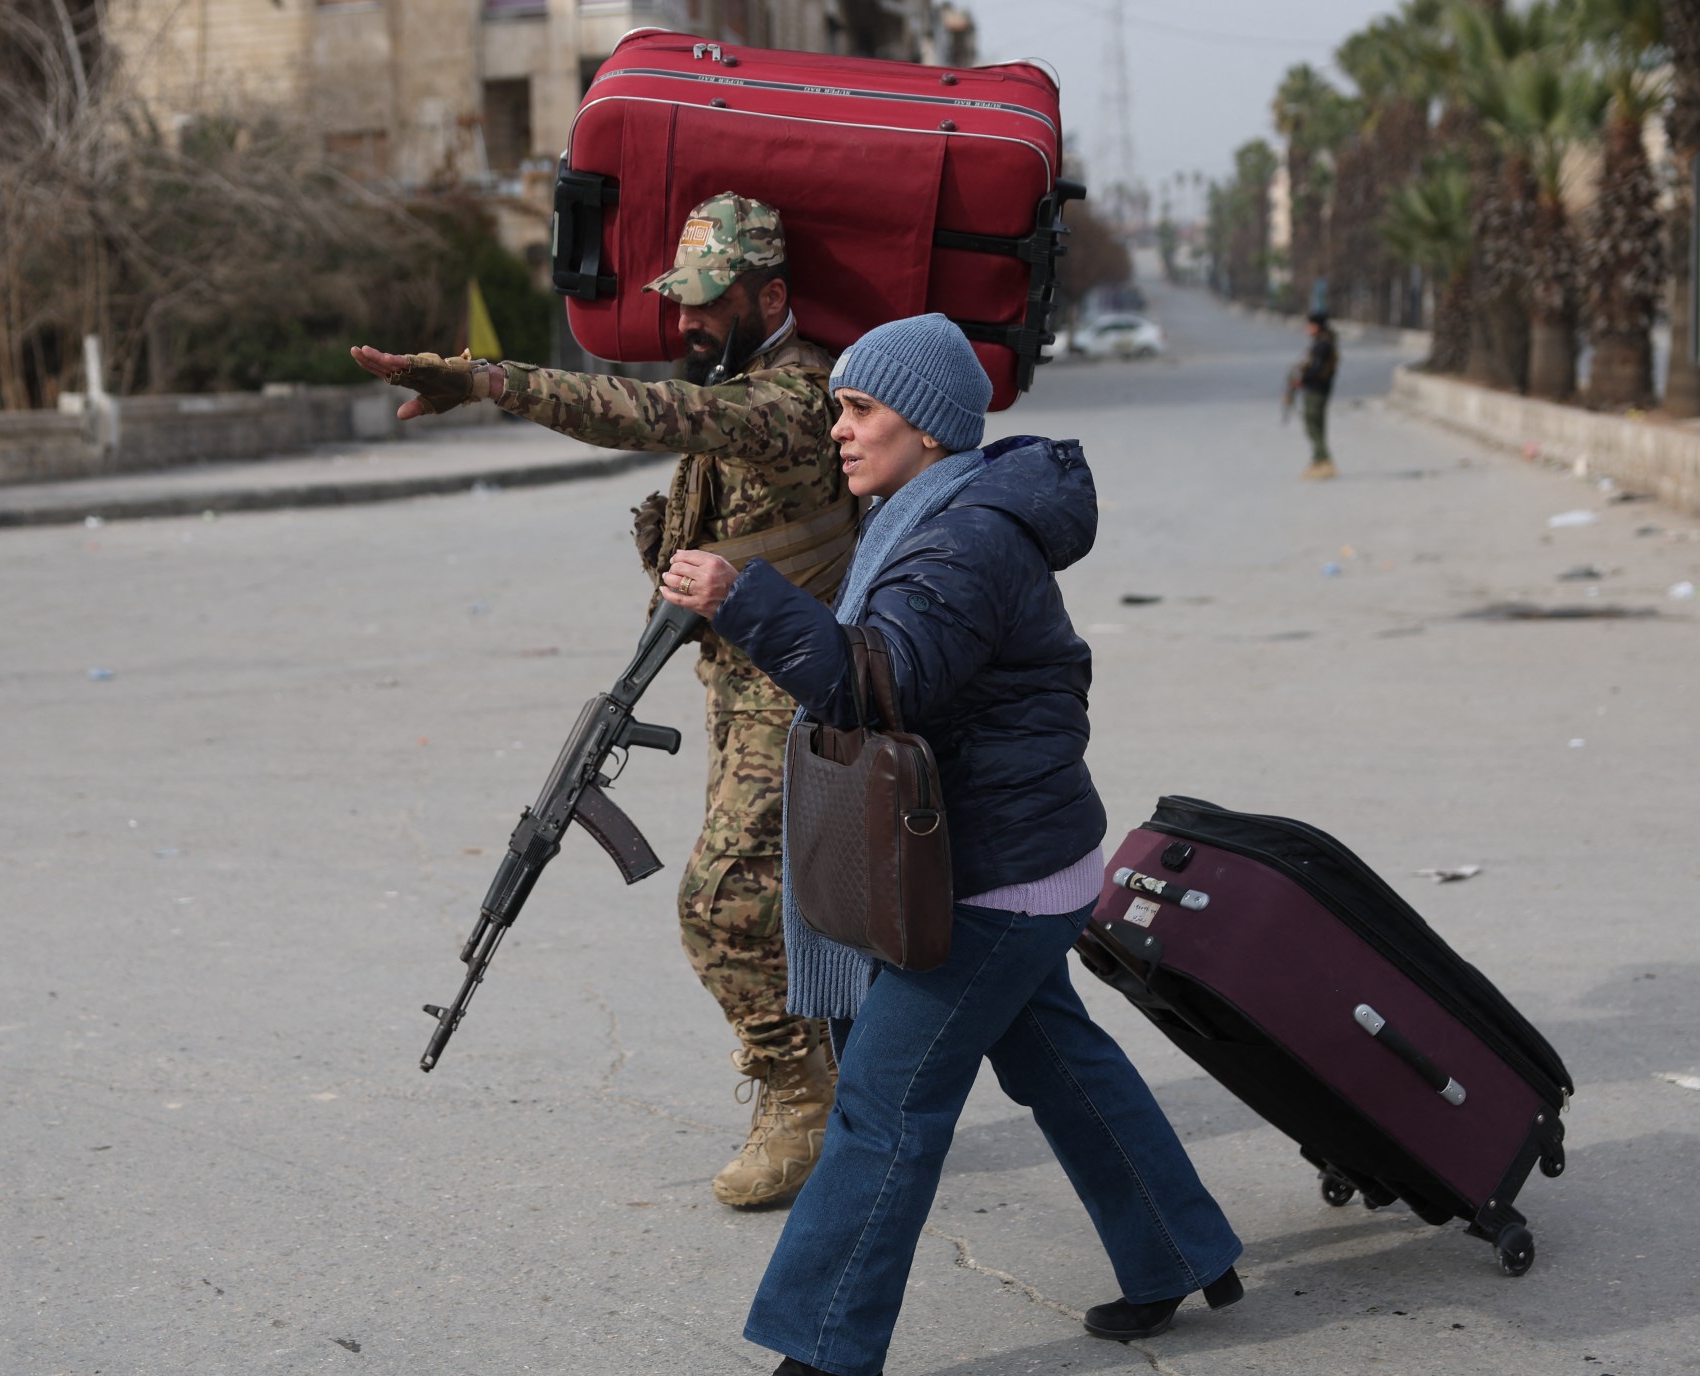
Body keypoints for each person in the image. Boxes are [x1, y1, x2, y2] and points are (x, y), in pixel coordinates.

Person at [660, 313, 1244, 1374]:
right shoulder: (933, 509)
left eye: (860, 409)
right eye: (839, 406)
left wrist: (746, 599)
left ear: (926, 428)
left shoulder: (962, 534)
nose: (839, 431)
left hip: (989, 880)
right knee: (1061, 1064)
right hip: (1020, 855)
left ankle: (823, 1349)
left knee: (884, 1112)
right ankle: (1180, 1248)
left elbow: (881, 681)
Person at [351, 193, 848, 1209]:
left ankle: (804, 1102)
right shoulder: (737, 374)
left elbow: (646, 415)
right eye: (683, 301)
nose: (688, 321)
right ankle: (845, 1080)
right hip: (737, 680)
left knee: (718, 906)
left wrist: (492, 379)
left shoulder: (792, 401)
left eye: (709, 302)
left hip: (795, 688)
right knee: (787, 902)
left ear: (773, 295)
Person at [1293, 312, 1339, 479]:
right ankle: (1318, 460)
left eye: (1310, 325)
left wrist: (1302, 380)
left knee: (1314, 426)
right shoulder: (1323, 342)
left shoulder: (1322, 345)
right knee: (1316, 425)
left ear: (1317, 326)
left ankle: (1324, 460)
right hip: (1317, 388)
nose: (1307, 328)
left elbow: (1317, 369)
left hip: (1317, 390)